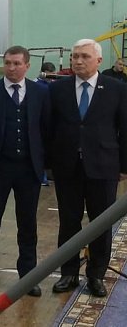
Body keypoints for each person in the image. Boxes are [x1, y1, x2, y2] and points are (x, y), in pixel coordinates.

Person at [45, 39, 127, 298]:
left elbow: (125, 129)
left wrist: (124, 166)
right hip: (67, 166)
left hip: (103, 166)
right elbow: (49, 127)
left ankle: (96, 274)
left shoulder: (116, 89)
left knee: (100, 222)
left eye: (84, 56)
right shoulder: (58, 89)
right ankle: (68, 272)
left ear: (99, 61)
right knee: (68, 221)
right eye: (75, 56)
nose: (78, 61)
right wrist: (49, 163)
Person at [0, 46, 48, 296]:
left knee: (28, 224)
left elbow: (45, 127)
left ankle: (28, 276)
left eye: (16, 63)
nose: (11, 68)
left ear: (27, 65)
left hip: (28, 168)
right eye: (7, 63)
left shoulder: (40, 92)